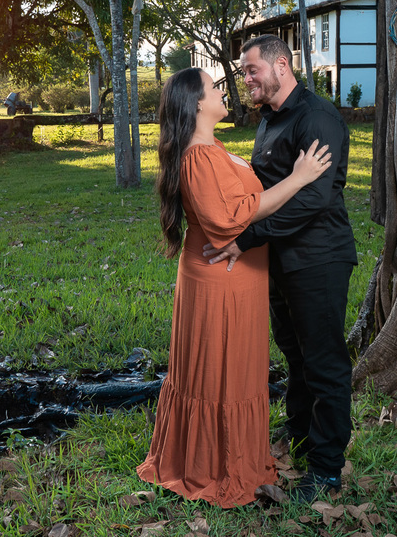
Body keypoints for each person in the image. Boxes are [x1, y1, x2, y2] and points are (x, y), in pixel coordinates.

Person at [137, 67, 333, 509]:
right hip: (219, 283)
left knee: (236, 370)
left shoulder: (212, 149)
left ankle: (235, 455)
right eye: (214, 87)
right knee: (220, 374)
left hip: (237, 279)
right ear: (197, 104)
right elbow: (232, 219)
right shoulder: (196, 157)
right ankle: (213, 466)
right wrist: (299, 177)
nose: (223, 89)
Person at [204, 34, 358, 503]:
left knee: (324, 362)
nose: (245, 79)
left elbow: (313, 197)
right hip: (279, 260)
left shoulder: (317, 117)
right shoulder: (269, 120)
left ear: (282, 65)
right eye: (243, 72)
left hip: (317, 258)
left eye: (251, 70)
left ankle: (327, 469)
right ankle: (299, 436)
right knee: (294, 355)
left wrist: (245, 239)